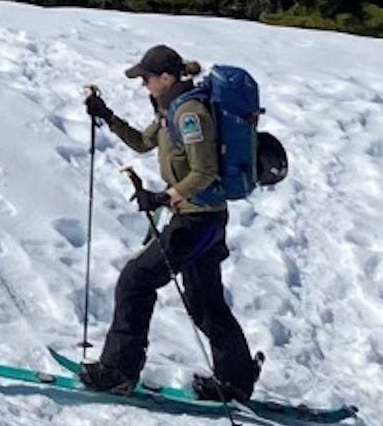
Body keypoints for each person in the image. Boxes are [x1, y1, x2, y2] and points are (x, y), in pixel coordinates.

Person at [78, 44, 260, 402]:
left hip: (198, 220)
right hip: (199, 218)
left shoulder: (190, 113)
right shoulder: (170, 110)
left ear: (166, 77)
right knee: (205, 301)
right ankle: (236, 379)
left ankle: (118, 371)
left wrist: (165, 197)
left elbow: (204, 172)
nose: (143, 85)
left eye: (146, 78)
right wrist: (107, 116)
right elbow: (143, 144)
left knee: (135, 281)